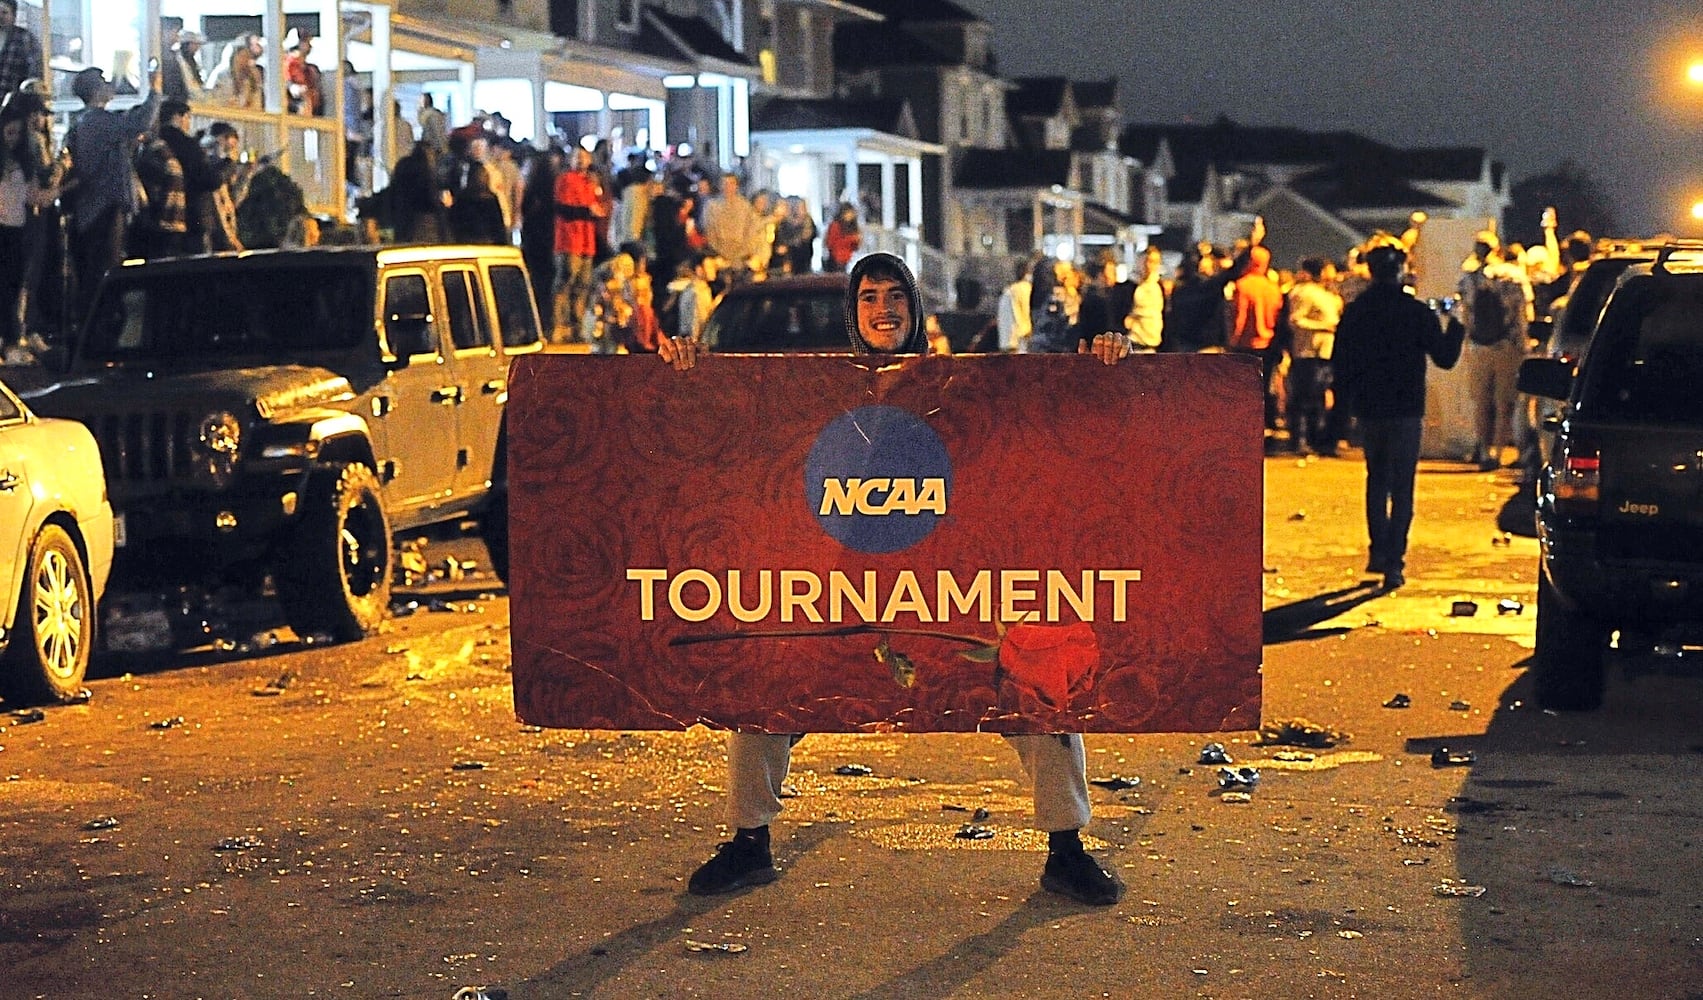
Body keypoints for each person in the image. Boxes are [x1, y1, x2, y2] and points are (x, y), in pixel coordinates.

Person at [655, 251, 1131, 905]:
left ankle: (1065, 849)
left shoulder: (961, 382)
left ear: (915, 306)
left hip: (943, 579)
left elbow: (1043, 423)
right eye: (869, 296)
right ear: (852, 313)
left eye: (895, 295)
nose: (884, 308)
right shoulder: (813, 392)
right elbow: (730, 436)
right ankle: (748, 841)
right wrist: (685, 377)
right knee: (759, 680)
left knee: (1034, 674)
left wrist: (1100, 372)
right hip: (841, 583)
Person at [1332, 240, 1463, 591]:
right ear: (1402, 269)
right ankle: (1395, 562)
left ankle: (1378, 550)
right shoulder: (1416, 311)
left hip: (1371, 407)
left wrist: (1340, 413)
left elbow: (1341, 365)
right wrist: (1455, 324)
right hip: (1407, 407)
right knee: (1402, 486)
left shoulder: (1356, 311)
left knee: (1376, 480)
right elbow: (1446, 358)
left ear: (1371, 270)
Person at [63, 65, 161, 303]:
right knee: (106, 269)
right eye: (104, 81)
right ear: (96, 90)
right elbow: (140, 121)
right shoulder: (97, 121)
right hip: (103, 205)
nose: (110, 85)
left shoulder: (85, 123)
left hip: (94, 206)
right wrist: (155, 89)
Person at [1456, 230, 1532, 471]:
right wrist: (1522, 346)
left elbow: (1464, 314)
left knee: (1481, 402)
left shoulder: (1468, 278)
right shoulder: (1512, 276)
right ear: (1497, 249)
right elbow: (1523, 315)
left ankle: (1483, 450)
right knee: (1504, 403)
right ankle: (1498, 452)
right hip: (1507, 346)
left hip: (1479, 346)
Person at [1284, 257, 1344, 456]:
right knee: (1304, 397)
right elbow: (1296, 319)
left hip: (1325, 352)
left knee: (1318, 397)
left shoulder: (1328, 294)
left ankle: (1316, 439)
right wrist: (1323, 327)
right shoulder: (1305, 293)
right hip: (1308, 351)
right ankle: (1300, 440)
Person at [553, 145, 605, 340]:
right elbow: (563, 208)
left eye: (584, 156)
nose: (581, 160)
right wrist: (588, 211)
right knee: (566, 283)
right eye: (578, 156)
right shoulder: (565, 179)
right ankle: (561, 324)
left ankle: (578, 325)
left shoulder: (590, 182)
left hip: (586, 241)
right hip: (569, 241)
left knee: (583, 285)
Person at [1126, 245, 1168, 353]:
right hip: (1133, 343)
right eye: (1147, 261)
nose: (1150, 266)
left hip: (1154, 345)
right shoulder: (1128, 287)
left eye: (1155, 262)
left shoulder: (1161, 287)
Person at [206, 33, 263, 109]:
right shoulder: (222, 76)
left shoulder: (252, 76)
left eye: (246, 56)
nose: (243, 60)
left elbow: (257, 100)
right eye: (241, 56)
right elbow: (216, 101)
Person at [0, 0, 43, 99]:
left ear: (14, 15)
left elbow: (34, 71)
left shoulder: (25, 38)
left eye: (4, 12)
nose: (0, 17)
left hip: (13, 103)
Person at [284, 31, 323, 116]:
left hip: (311, 111)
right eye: (306, 42)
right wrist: (293, 87)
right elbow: (287, 82)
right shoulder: (288, 63)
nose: (310, 46)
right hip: (295, 111)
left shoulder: (310, 69)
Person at [823, 202, 859, 273]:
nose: (850, 215)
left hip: (847, 259)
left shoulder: (852, 227)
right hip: (836, 259)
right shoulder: (835, 226)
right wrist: (851, 239)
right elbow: (832, 243)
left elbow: (855, 247)